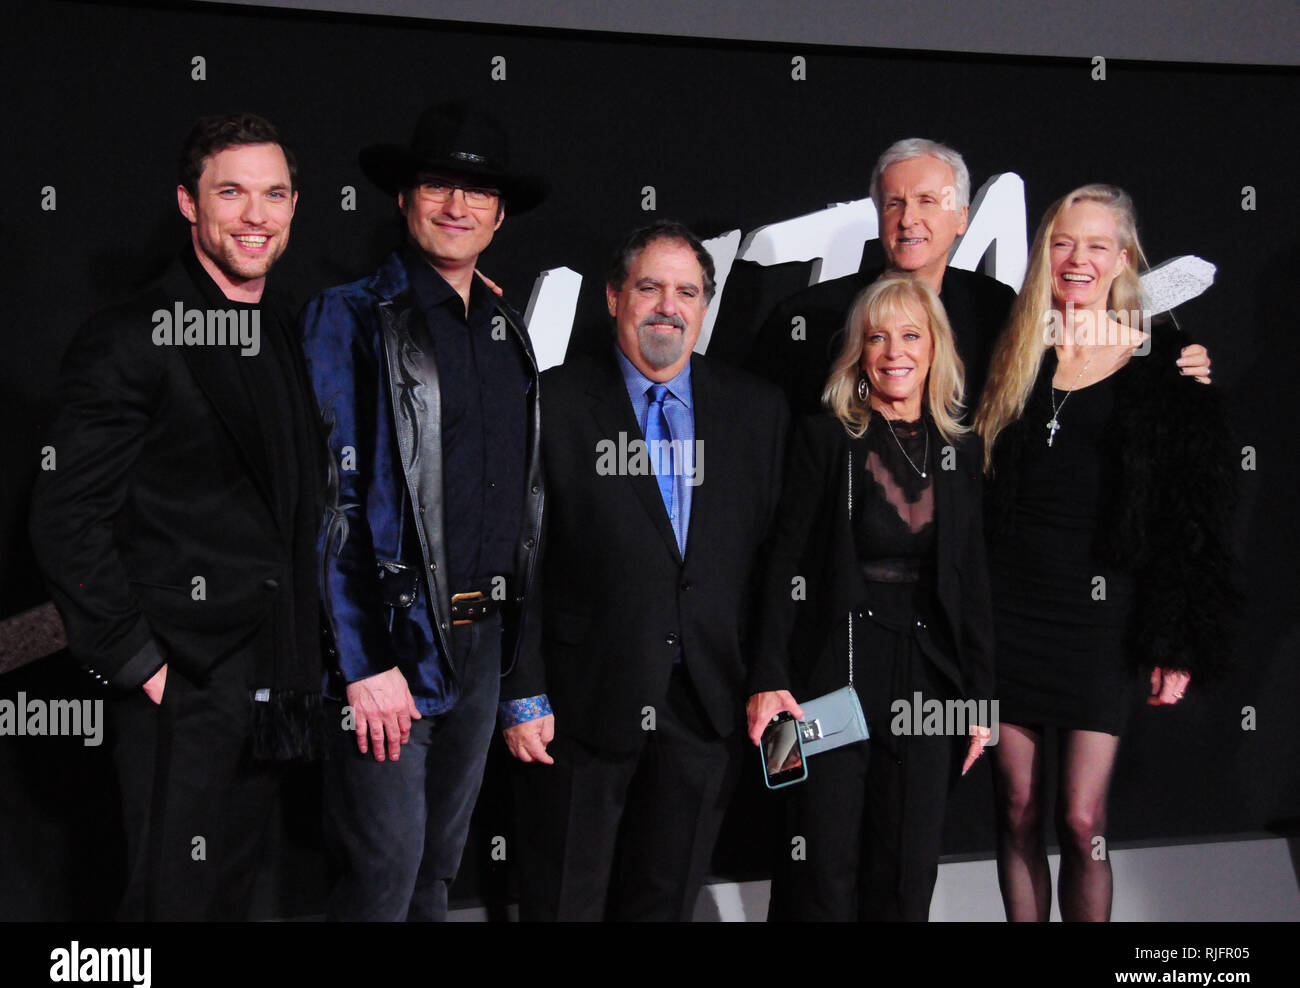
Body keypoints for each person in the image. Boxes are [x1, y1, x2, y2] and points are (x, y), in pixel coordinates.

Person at [29, 113, 325, 920]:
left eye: (273, 194)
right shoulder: (130, 335)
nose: (256, 215)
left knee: (232, 896)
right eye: (231, 191)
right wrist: (141, 664)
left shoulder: (291, 332)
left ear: (296, 206)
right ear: (190, 204)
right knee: (167, 904)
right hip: (182, 681)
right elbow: (65, 513)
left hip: (273, 674)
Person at [299, 102, 547, 921]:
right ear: (404, 200)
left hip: (483, 648)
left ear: (500, 213)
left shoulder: (509, 330)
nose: (456, 205)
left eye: (476, 191)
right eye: (437, 184)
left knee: (437, 874)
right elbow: (331, 502)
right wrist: (364, 662)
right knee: (381, 877)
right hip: (392, 647)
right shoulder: (352, 316)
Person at [502, 221, 790, 920]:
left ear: (705, 305)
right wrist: (524, 689)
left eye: (687, 290)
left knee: (663, 905)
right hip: (579, 705)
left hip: (705, 705)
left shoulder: (756, 411)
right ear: (613, 296)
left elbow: (777, 565)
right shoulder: (553, 401)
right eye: (650, 287)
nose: (669, 305)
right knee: (564, 899)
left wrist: (769, 674)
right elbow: (516, 556)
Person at [973, 184, 1236, 921]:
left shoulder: (1166, 366)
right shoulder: (1013, 353)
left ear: (1124, 258)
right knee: (1018, 806)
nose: (1077, 259)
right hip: (1011, 608)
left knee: (1081, 821)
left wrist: (1177, 639)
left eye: (1096, 245)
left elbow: (1194, 516)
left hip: (1103, 618)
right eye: (1063, 242)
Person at [746, 275, 994, 921]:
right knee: (820, 867)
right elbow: (784, 566)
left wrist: (980, 699)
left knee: (908, 870)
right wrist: (769, 676)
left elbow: (972, 585)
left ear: (936, 346)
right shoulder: (827, 437)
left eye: (911, 335)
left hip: (928, 680)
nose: (894, 351)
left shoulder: (960, 452)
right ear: (858, 351)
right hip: (834, 670)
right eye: (877, 337)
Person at [745, 138, 1212, 415]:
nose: (909, 219)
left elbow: (1085, 356)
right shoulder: (806, 316)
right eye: (895, 203)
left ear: (962, 217)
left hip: (964, 563)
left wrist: (1173, 356)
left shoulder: (996, 309)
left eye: (928, 202)